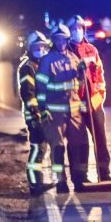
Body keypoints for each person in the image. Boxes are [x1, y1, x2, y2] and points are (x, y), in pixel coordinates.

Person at [36, 23, 90, 193]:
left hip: (74, 111)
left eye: (63, 39)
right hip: (55, 113)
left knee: (79, 145)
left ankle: (80, 178)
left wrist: (81, 72)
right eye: (57, 39)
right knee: (58, 147)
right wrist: (43, 110)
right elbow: (40, 88)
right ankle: (61, 181)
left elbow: (78, 85)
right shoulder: (47, 61)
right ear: (53, 41)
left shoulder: (74, 58)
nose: (60, 42)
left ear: (67, 40)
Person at [66, 14, 111, 185]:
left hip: (93, 102)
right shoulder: (64, 52)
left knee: (100, 139)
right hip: (75, 105)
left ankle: (104, 173)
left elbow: (99, 75)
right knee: (78, 143)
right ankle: (80, 177)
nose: (77, 32)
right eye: (74, 29)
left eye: (80, 28)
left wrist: (100, 96)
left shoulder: (92, 50)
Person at [17, 30, 54, 195]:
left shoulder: (42, 65)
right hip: (34, 115)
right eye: (37, 47)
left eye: (42, 46)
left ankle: (37, 182)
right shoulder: (27, 67)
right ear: (30, 48)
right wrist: (35, 113)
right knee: (38, 148)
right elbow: (28, 93)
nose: (40, 49)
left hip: (43, 114)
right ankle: (34, 185)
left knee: (42, 148)